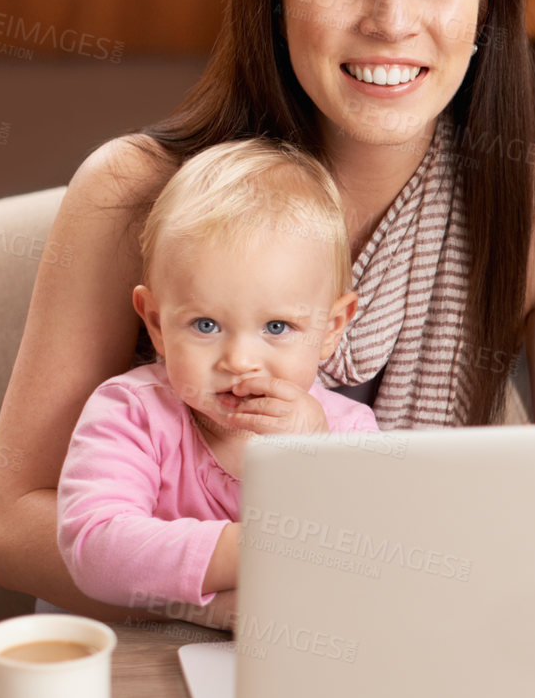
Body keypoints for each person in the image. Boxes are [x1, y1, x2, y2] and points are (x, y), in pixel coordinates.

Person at [0, 0, 535, 630]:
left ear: (486, 8)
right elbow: (15, 530)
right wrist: (238, 597)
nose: (392, 21)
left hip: (410, 647)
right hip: (158, 657)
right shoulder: (132, 192)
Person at [58, 139, 378, 615]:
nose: (240, 361)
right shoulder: (132, 412)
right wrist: (264, 549)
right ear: (156, 323)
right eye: (206, 325)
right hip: (131, 651)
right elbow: (95, 548)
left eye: (277, 327)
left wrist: (316, 455)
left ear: (331, 328)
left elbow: (370, 556)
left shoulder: (349, 431)